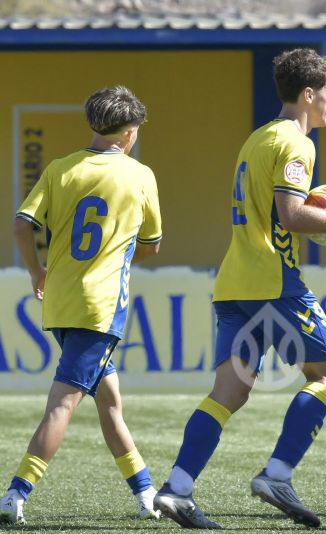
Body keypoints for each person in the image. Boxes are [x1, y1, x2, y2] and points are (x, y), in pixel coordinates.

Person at [153, 47, 326, 530]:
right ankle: (277, 475)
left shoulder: (258, 139)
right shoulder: (297, 143)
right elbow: (291, 215)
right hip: (274, 280)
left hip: (235, 280)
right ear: (309, 94)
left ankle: (178, 489)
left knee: (229, 393)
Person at [0, 86, 163, 526]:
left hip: (60, 302)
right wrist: (121, 254)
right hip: (101, 308)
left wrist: (37, 272)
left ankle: (146, 491)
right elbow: (151, 245)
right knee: (62, 405)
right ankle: (16, 492)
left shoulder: (60, 168)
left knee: (109, 403)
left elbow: (21, 226)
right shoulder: (139, 175)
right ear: (130, 133)